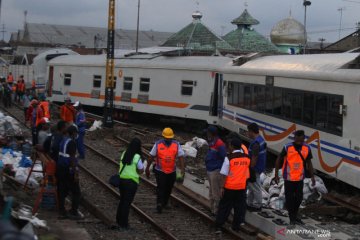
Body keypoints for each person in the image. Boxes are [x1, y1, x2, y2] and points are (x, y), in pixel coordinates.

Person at [274, 130, 315, 227]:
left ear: (303, 139)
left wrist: (312, 176)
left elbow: (309, 163)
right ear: (294, 138)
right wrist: (276, 174)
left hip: (300, 178)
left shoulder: (307, 148)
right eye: (297, 140)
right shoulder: (287, 147)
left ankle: (295, 216)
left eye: (301, 141)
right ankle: (292, 219)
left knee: (299, 198)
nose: (299, 142)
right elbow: (279, 158)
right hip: (289, 178)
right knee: (290, 199)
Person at [145, 127, 185, 213]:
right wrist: (147, 168)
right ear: (163, 137)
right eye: (167, 138)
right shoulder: (158, 144)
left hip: (172, 171)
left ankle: (165, 203)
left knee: (169, 188)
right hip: (160, 171)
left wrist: (182, 169)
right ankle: (159, 204)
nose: (168, 139)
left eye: (169, 138)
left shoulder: (176, 144)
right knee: (161, 188)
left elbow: (181, 157)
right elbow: (151, 156)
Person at [215, 138, 250, 233]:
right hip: (241, 187)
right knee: (238, 208)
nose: (228, 147)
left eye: (230, 145)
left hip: (230, 187)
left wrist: (222, 187)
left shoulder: (229, 158)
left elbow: (224, 174)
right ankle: (236, 227)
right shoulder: (247, 158)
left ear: (232, 146)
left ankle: (219, 225)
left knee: (224, 207)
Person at [116, 138, 144, 230]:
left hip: (122, 180)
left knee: (122, 201)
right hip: (131, 183)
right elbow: (141, 170)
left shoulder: (124, 153)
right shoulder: (137, 157)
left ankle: (119, 221)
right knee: (126, 203)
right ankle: (124, 224)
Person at [57, 125, 83, 220]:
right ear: (73, 133)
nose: (76, 135)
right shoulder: (71, 142)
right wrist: (75, 172)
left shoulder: (64, 140)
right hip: (68, 169)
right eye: (76, 133)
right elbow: (72, 158)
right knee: (76, 192)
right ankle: (74, 212)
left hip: (61, 168)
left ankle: (62, 210)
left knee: (62, 189)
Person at [204, 125, 227, 215]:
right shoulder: (212, 142)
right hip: (210, 169)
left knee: (215, 192)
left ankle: (216, 211)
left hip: (215, 171)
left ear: (211, 133)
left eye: (208, 132)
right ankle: (212, 208)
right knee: (211, 191)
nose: (206, 133)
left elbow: (224, 158)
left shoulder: (220, 144)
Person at [247, 123, 267, 211]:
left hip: (254, 168)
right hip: (259, 167)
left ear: (251, 131)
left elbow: (254, 158)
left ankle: (258, 205)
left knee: (255, 187)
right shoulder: (261, 140)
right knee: (252, 186)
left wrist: (250, 169)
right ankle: (249, 203)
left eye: (248, 131)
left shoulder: (255, 143)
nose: (248, 133)